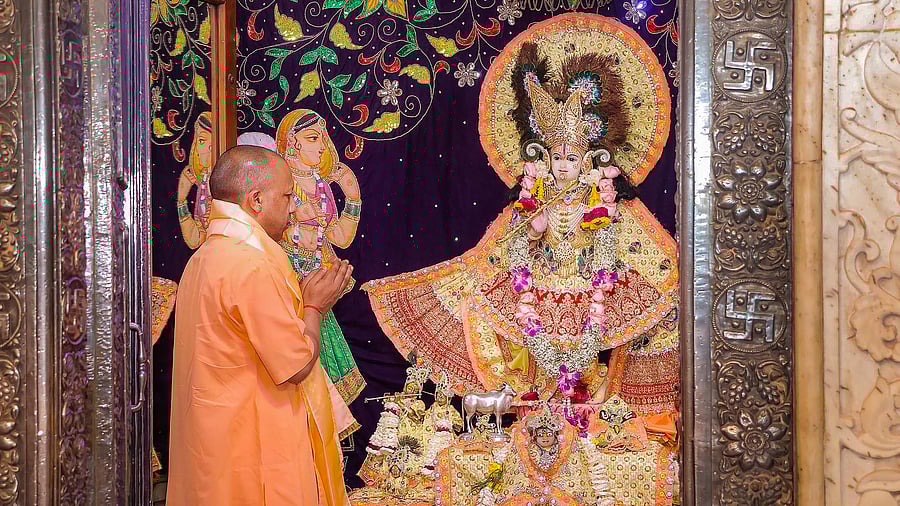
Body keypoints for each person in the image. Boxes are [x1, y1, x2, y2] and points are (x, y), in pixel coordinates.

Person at [167, 145, 352, 506]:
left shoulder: (205, 257)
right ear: (256, 200)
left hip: (215, 449)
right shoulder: (251, 264)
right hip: (254, 455)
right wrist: (314, 305)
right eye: (285, 197)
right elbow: (296, 365)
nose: (294, 208)